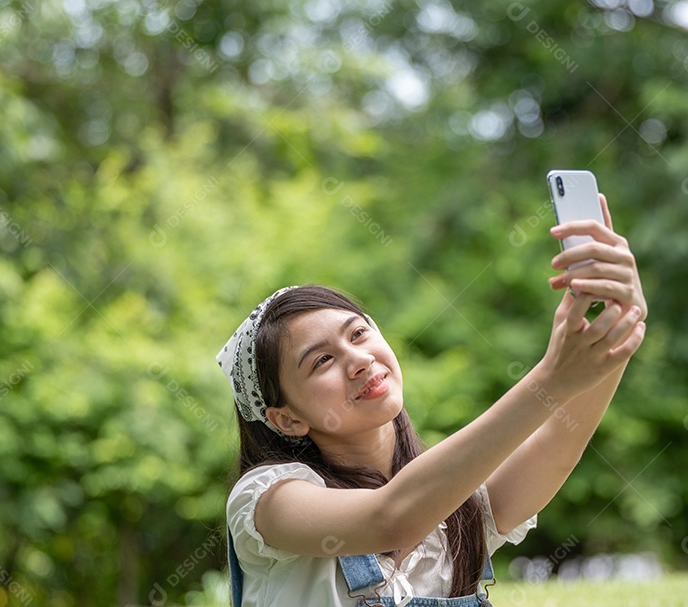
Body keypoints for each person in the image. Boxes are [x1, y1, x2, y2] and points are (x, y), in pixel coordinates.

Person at [217, 195, 647, 607]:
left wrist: (617, 327)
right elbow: (389, 519)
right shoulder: (266, 499)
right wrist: (550, 380)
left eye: (358, 333)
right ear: (286, 418)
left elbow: (557, 446)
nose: (359, 361)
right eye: (322, 360)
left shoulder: (455, 500)